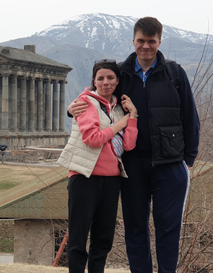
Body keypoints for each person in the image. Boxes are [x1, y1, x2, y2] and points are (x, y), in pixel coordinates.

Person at [68, 17, 200, 273]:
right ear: (133, 41)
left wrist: (188, 160)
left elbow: (190, 117)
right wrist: (70, 109)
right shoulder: (122, 74)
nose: (146, 46)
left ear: (160, 41)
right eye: (141, 41)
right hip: (132, 165)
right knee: (135, 228)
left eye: (152, 41)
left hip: (170, 164)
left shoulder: (175, 73)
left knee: (168, 228)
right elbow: (96, 97)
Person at [59, 59, 138, 273]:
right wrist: (120, 125)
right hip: (84, 177)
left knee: (103, 238)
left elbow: (129, 144)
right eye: (100, 78)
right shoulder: (85, 102)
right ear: (94, 81)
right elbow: (93, 139)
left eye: (110, 77)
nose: (105, 82)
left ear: (117, 80)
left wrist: (133, 117)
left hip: (112, 178)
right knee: (78, 236)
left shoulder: (120, 108)